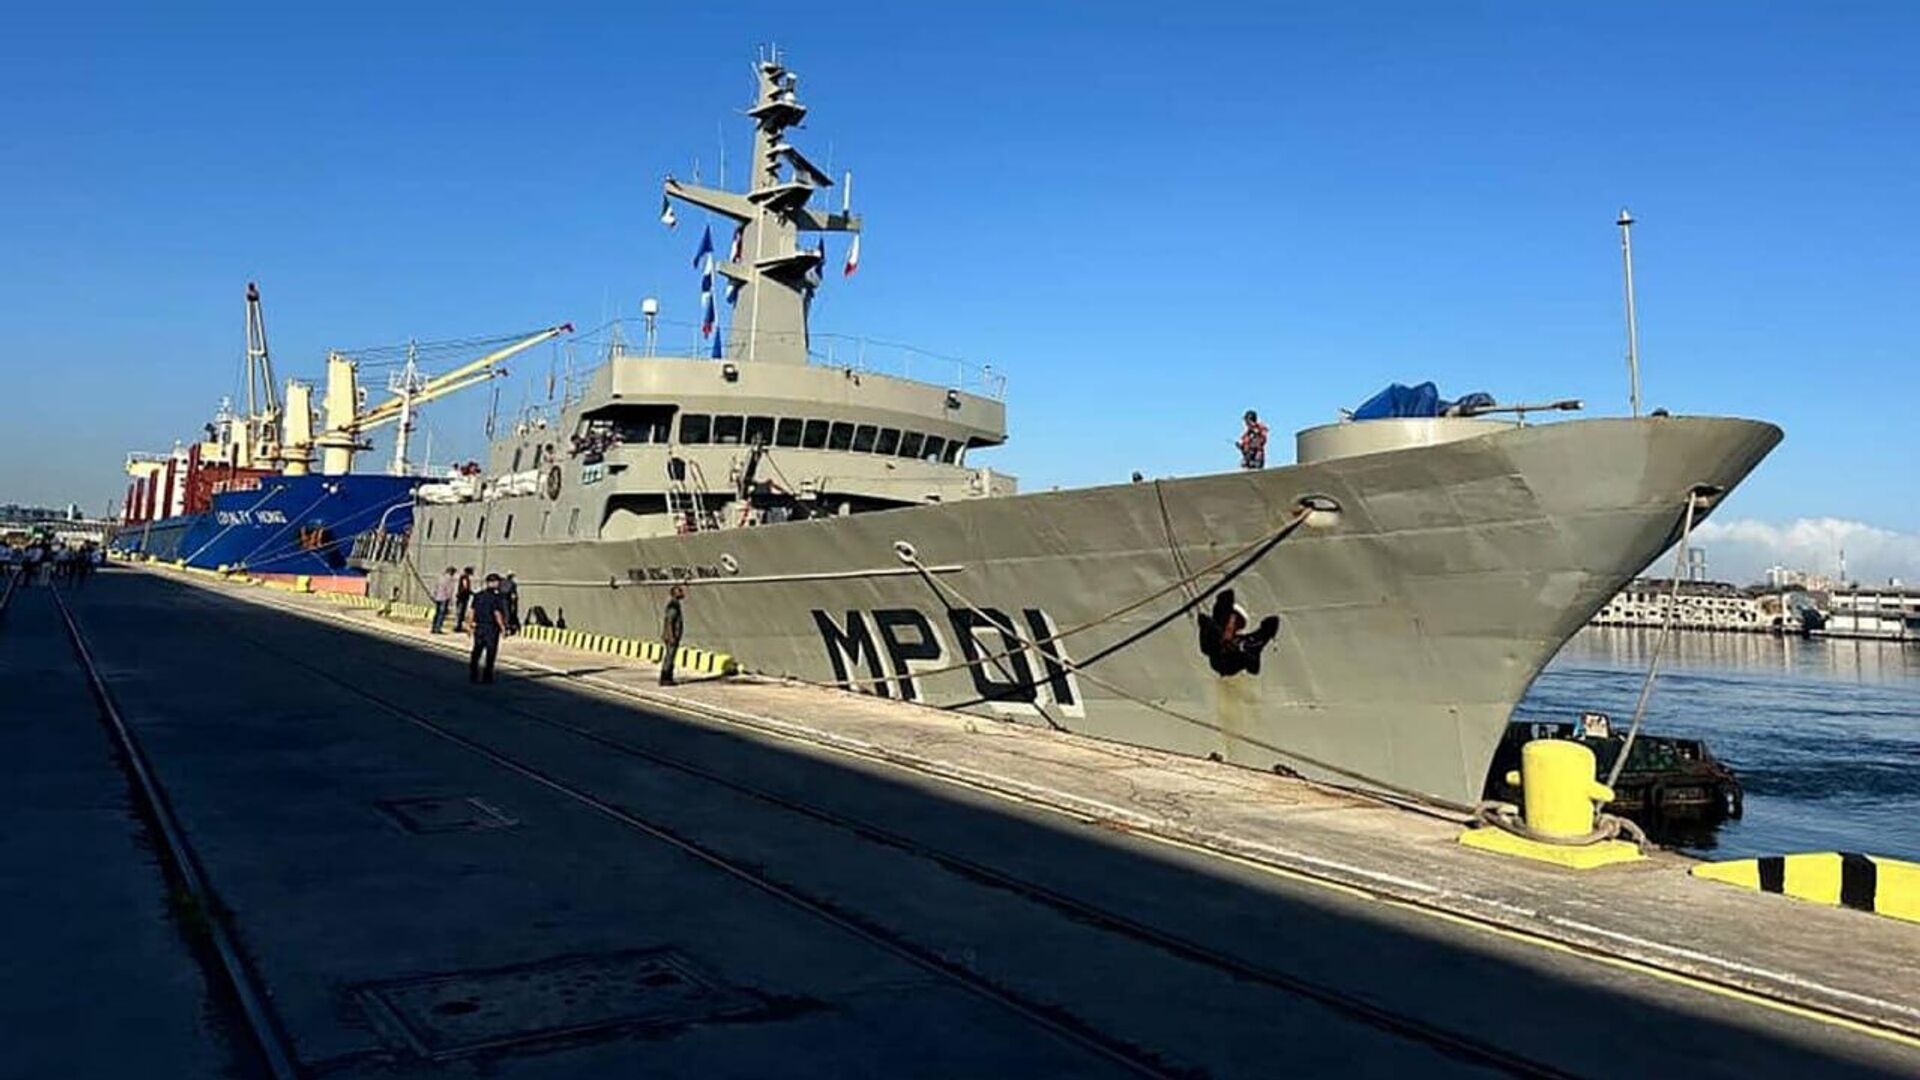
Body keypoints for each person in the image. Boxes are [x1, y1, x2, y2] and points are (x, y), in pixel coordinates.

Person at [468, 573, 507, 684]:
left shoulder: (478, 595)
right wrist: (502, 627)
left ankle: (473, 674)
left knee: (477, 651)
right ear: (493, 583)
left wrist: (469, 625)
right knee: (490, 652)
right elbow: (497, 613)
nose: (499, 584)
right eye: (498, 582)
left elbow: (472, 611)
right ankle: (487, 676)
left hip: (479, 627)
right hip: (491, 628)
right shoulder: (496, 597)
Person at [659, 584, 686, 685]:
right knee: (669, 657)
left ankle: (668, 677)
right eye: (680, 591)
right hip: (672, 637)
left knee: (670, 656)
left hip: (672, 636)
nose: (683, 593)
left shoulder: (675, 604)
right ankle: (665, 678)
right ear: (675, 593)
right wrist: (671, 636)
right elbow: (669, 621)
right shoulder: (673, 605)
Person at [430, 566, 457, 634]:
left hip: (438, 597)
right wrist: (450, 600)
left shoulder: (440, 577)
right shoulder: (450, 579)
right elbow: (449, 590)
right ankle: (438, 628)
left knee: (437, 613)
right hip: (444, 598)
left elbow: (435, 587)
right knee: (441, 614)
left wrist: (433, 595)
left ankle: (433, 628)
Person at [453, 566, 474, 631]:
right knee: (460, 612)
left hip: (462, 596)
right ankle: (457, 626)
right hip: (462, 597)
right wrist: (470, 592)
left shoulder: (464, 577)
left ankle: (459, 625)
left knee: (461, 612)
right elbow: (465, 586)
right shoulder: (464, 577)